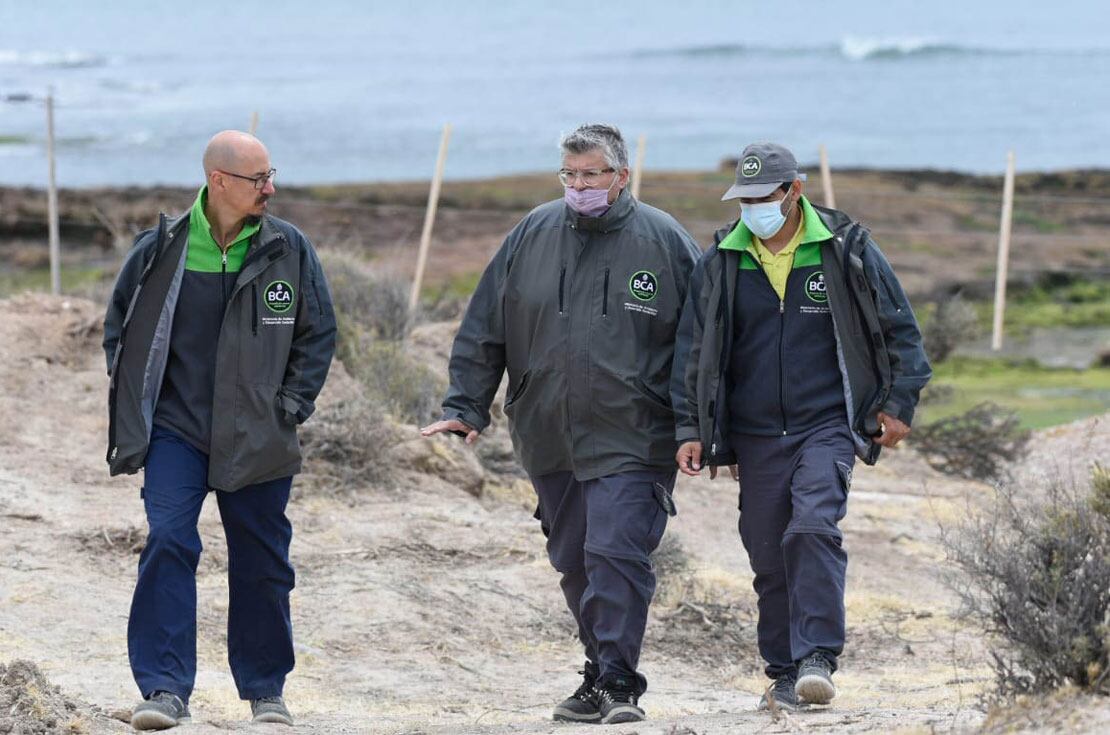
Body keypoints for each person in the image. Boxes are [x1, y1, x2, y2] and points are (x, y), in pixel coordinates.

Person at [421, 124, 700, 724]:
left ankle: (621, 682)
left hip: (635, 433)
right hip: (547, 429)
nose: (579, 186)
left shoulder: (665, 241)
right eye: (570, 175)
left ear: (621, 177)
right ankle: (600, 670)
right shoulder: (533, 233)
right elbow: (485, 323)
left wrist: (697, 426)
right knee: (574, 558)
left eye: (591, 174)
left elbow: (702, 344)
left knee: (615, 551)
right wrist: (466, 406)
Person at [672, 142, 931, 712]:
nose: (753, 209)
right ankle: (785, 672)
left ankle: (817, 658)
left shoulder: (845, 250)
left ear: (794, 193)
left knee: (812, 527)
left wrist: (898, 405)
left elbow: (901, 333)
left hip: (827, 425)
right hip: (755, 435)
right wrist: (691, 427)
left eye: (764, 197)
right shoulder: (721, 261)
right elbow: (694, 353)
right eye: (744, 199)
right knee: (768, 555)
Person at [103, 130, 337, 730]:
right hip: (176, 434)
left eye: (270, 174)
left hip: (260, 434)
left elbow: (318, 334)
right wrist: (140, 407)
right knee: (168, 542)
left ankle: (265, 691)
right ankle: (163, 688)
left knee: (261, 560)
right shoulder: (162, 249)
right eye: (259, 179)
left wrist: (290, 405)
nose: (271, 188)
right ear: (219, 181)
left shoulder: (289, 248)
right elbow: (121, 333)